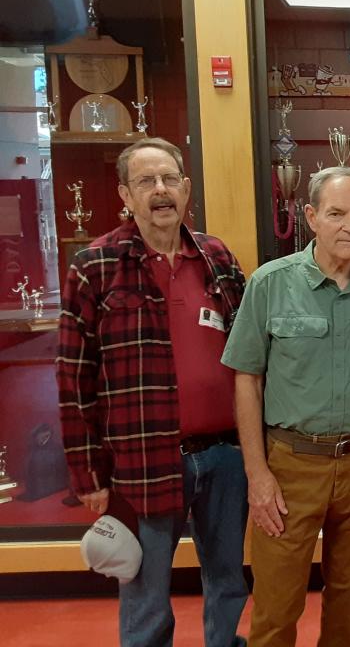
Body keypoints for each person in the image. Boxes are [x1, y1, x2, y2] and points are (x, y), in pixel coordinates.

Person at [57, 137, 248, 647]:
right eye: (146, 181)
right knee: (145, 590)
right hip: (142, 458)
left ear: (186, 188)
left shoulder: (217, 257)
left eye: (169, 179)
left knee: (229, 580)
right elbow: (73, 379)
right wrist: (88, 474)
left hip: (226, 455)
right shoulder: (93, 266)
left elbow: (253, 350)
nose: (160, 191)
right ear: (125, 193)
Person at [221, 166, 350, 647]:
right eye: (336, 214)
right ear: (311, 217)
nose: (349, 226)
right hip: (289, 466)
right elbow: (246, 379)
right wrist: (257, 474)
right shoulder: (270, 284)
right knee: (277, 603)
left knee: (349, 594)